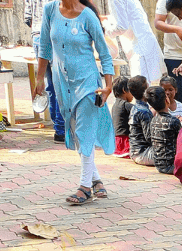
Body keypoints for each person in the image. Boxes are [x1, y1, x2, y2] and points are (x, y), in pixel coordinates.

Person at [33, 0, 116, 205]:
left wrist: (108, 85)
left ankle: (84, 186)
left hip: (88, 84)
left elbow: (104, 53)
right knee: (76, 132)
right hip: (62, 84)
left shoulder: (88, 16)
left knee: (84, 131)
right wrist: (39, 79)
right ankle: (96, 179)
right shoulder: (50, 10)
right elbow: (44, 46)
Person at [24, 0, 67, 142]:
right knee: (61, 84)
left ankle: (58, 126)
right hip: (55, 34)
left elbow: (28, 18)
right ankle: (61, 129)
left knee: (51, 84)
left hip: (37, 35)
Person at [104, 0, 164, 83]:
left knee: (141, 87)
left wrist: (104, 29)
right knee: (145, 86)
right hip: (142, 44)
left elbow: (122, 27)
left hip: (139, 48)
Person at [147, 87, 182, 175]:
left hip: (158, 165)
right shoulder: (173, 121)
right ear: (167, 100)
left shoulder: (153, 120)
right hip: (172, 166)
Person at [127, 76, 155, 167]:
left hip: (135, 151)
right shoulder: (144, 112)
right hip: (143, 153)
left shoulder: (135, 107)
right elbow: (149, 138)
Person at [109, 77, 133, 158]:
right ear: (124, 90)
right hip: (125, 141)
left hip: (116, 142)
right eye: (131, 90)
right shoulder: (126, 105)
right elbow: (139, 113)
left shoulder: (115, 105)